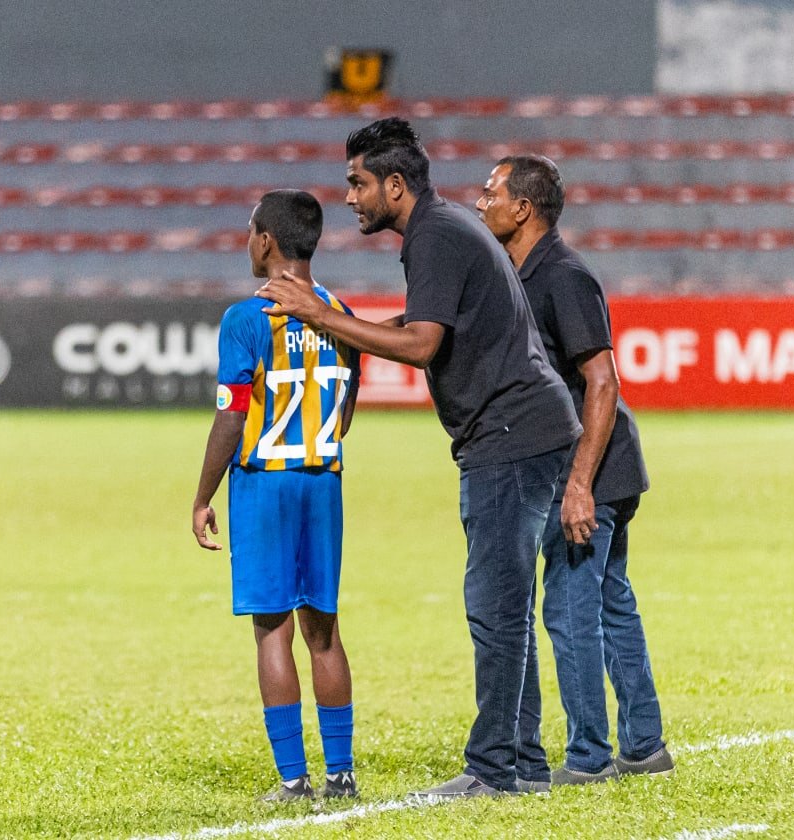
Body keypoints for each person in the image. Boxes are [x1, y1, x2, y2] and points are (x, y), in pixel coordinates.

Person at [257, 118, 581, 800]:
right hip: (526, 428)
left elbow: (422, 345)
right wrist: (340, 326)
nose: (350, 198)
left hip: (510, 434)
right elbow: (415, 326)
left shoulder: (434, 236)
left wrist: (319, 316)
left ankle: (492, 770)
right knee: (508, 604)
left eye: (358, 183)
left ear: (395, 185)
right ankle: (521, 762)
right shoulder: (444, 228)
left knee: (494, 608)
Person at [476, 155, 673, 783]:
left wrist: (580, 485)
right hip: (595, 463)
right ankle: (643, 746)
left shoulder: (562, 276)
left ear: (523, 209)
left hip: (592, 466)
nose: (480, 202)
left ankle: (589, 756)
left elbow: (602, 382)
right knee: (610, 602)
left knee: (568, 610)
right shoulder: (521, 273)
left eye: (491, 192)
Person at [191, 190, 361, 802]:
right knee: (324, 629)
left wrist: (202, 496)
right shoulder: (340, 313)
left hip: (265, 484)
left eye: (249, 231)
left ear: (265, 242)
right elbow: (345, 412)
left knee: (272, 630)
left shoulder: (246, 320)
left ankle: (293, 778)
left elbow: (232, 415)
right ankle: (341, 773)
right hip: (324, 482)